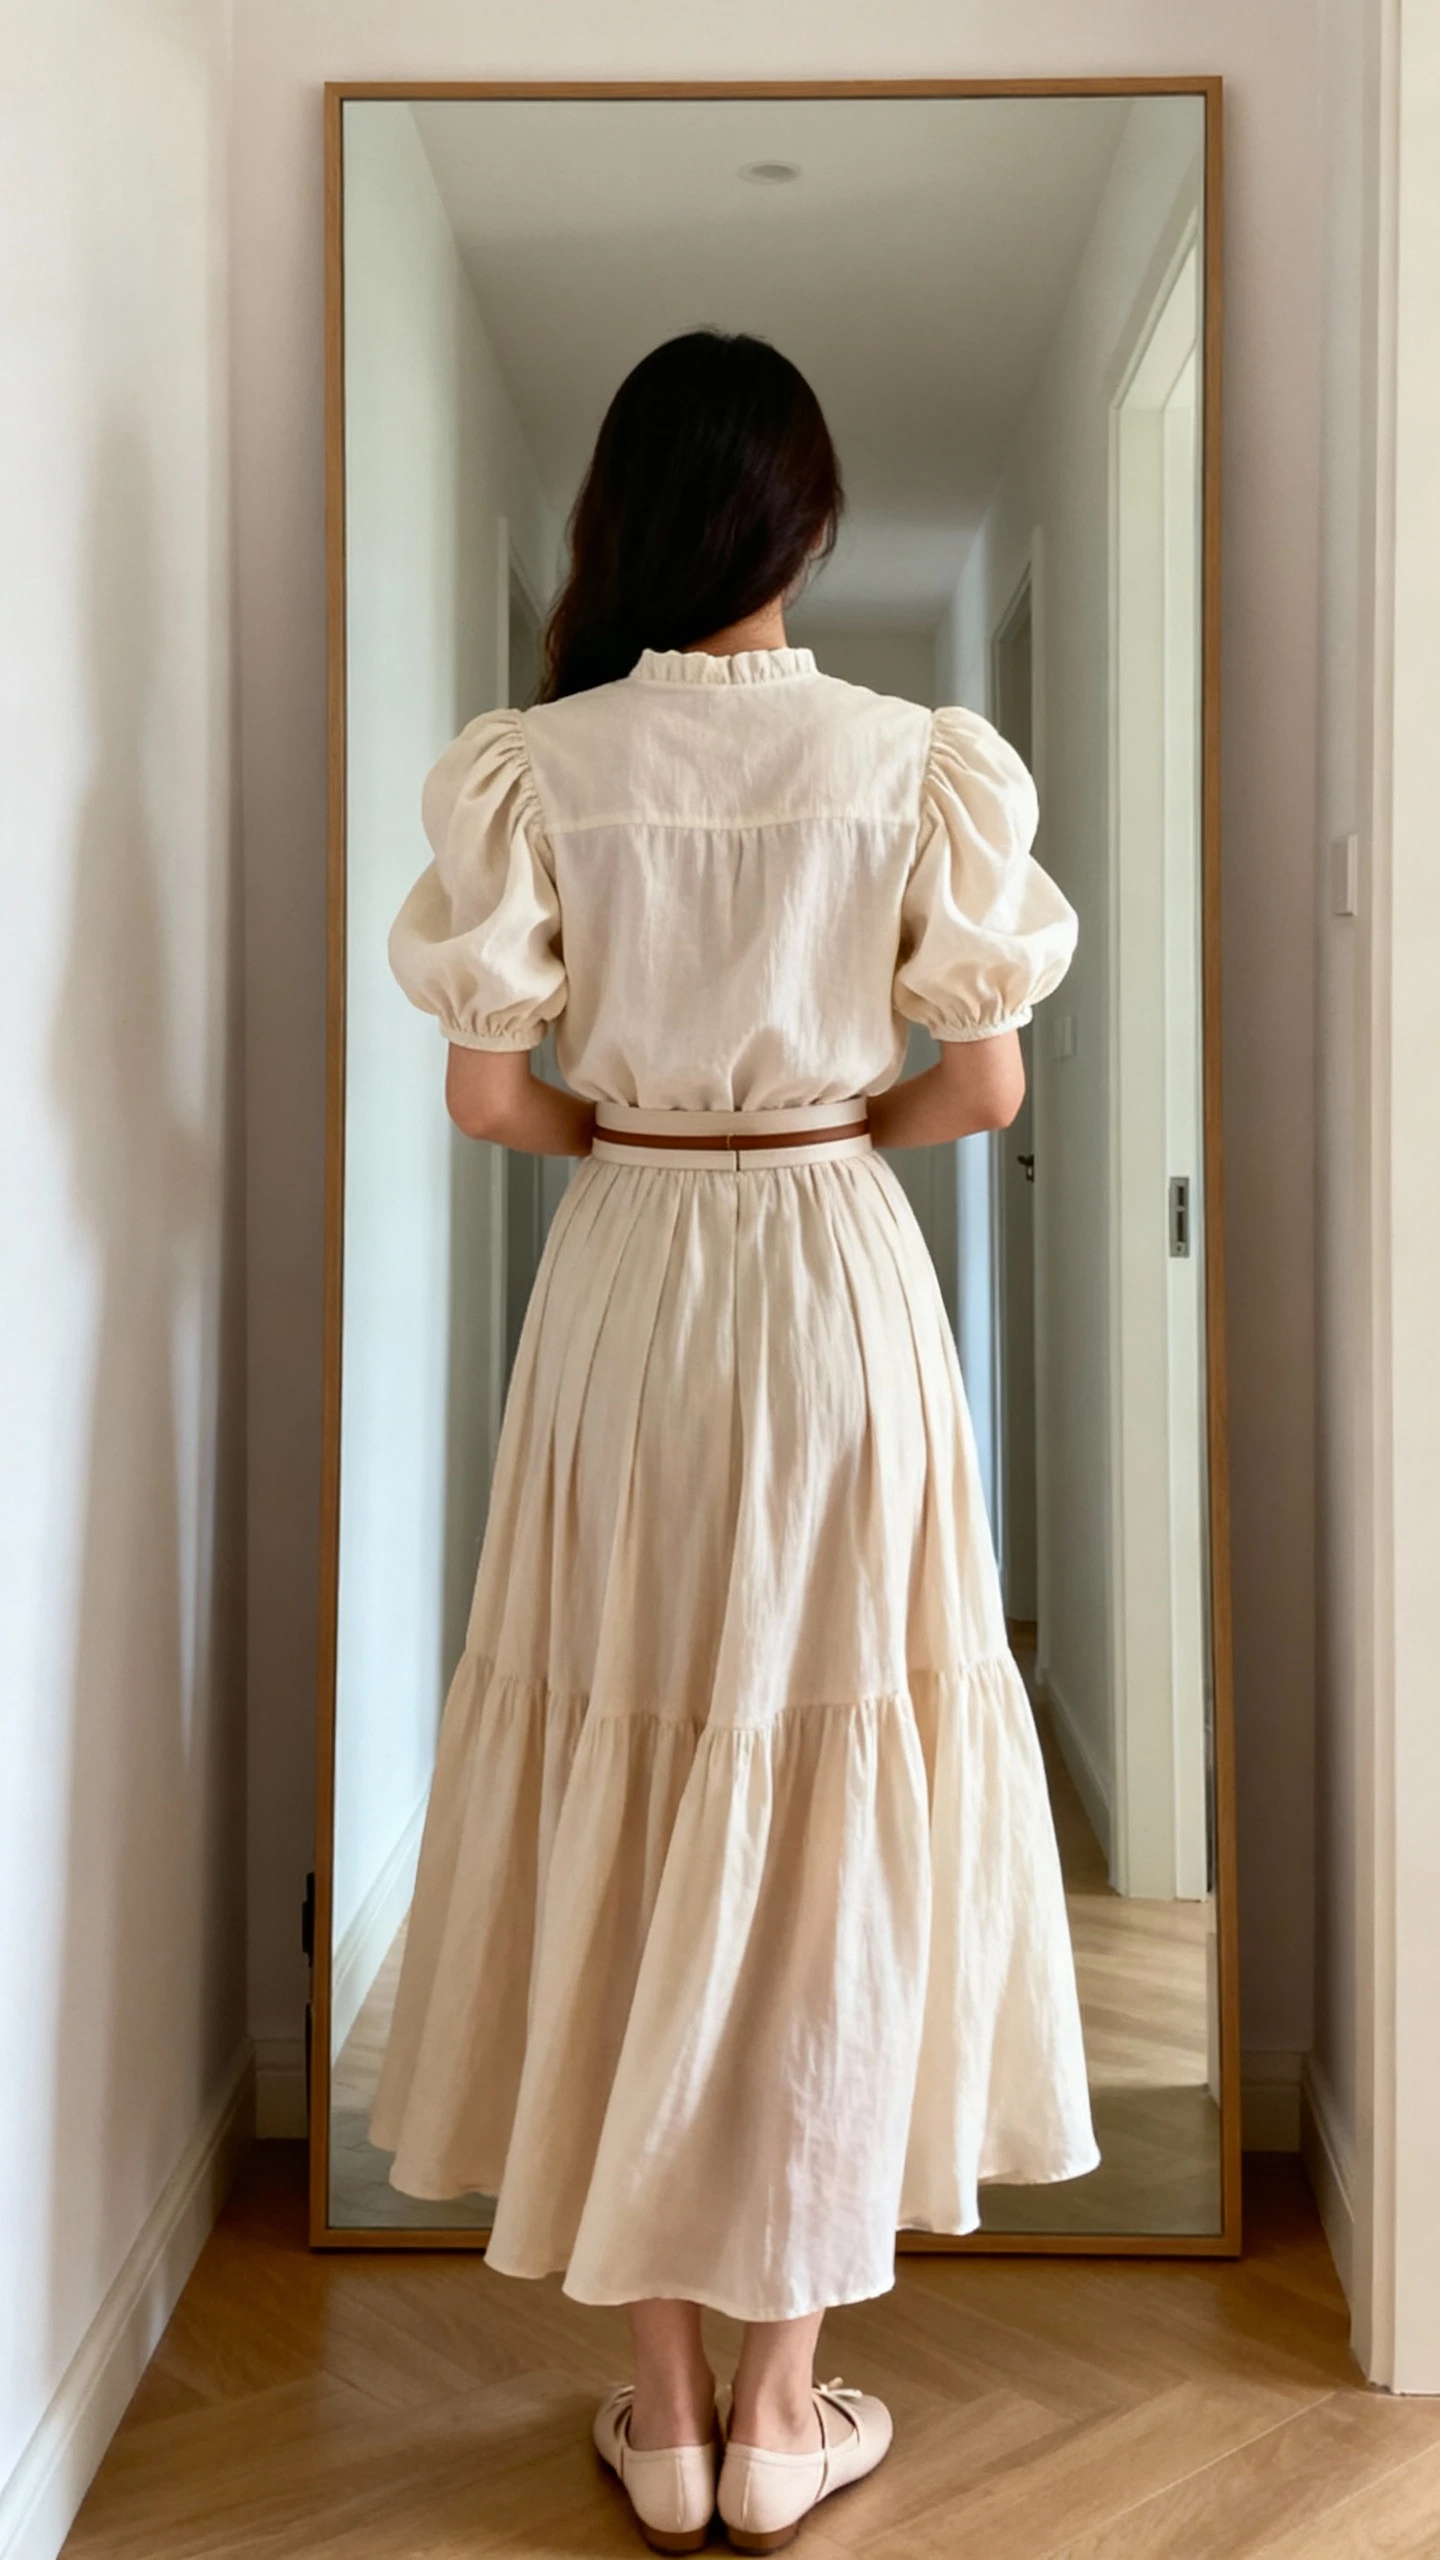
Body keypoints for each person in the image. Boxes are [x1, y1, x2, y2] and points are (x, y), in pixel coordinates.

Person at [369, 328, 1098, 2555]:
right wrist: (826, 1120)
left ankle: (665, 2408)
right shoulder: (914, 763)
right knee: (826, 1793)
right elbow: (979, 1085)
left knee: (635, 1751)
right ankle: (793, 2408)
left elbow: (498, 1096)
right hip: (836, 1286)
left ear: (628, 515)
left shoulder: (537, 766)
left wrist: (641, 1130)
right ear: (808, 514)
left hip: (628, 1292)